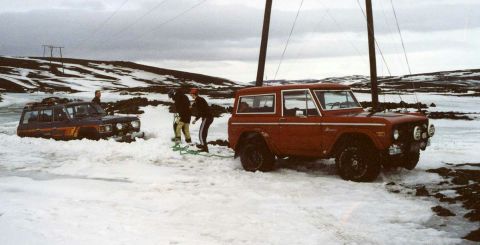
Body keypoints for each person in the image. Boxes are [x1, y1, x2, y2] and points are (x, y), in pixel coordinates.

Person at [190, 88, 213, 152]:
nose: (190, 95)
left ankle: (204, 148)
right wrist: (191, 106)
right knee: (204, 132)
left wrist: (195, 119)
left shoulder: (198, 100)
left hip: (207, 117)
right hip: (209, 117)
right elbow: (196, 104)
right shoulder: (199, 99)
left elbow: (201, 111)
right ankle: (203, 145)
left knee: (201, 133)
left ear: (193, 94)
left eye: (191, 94)